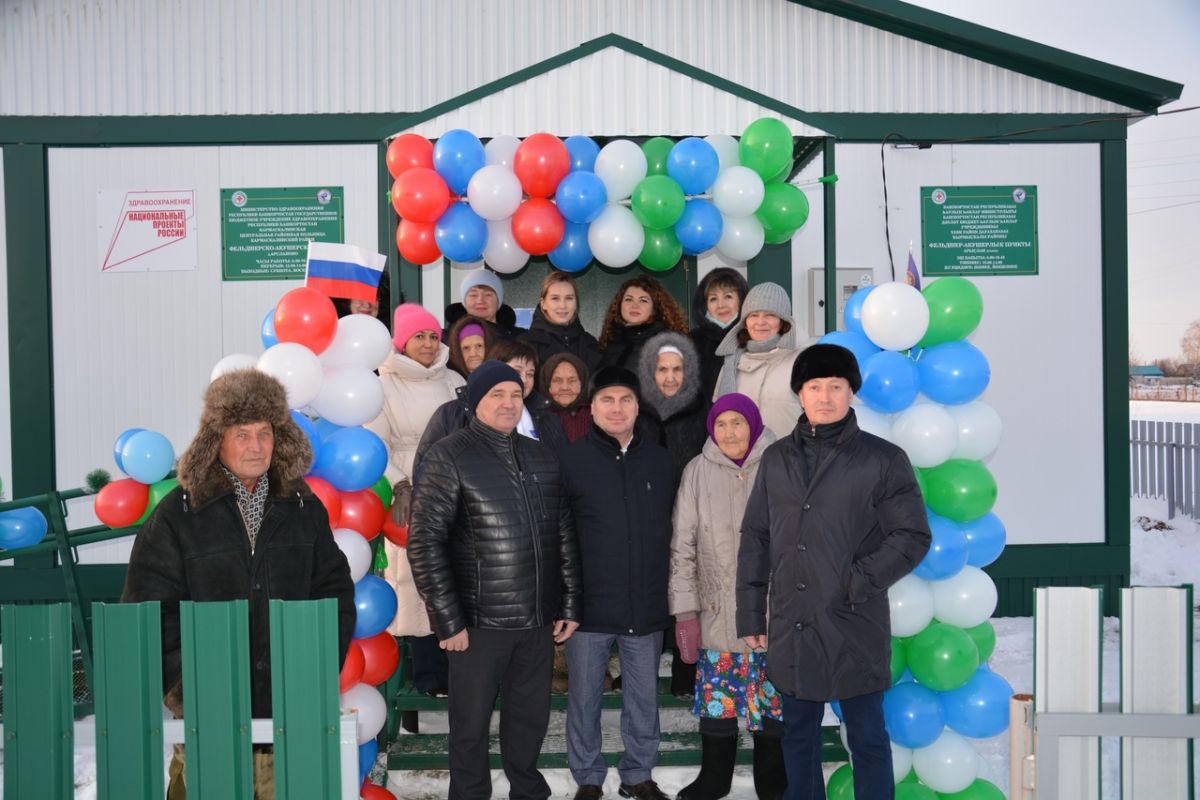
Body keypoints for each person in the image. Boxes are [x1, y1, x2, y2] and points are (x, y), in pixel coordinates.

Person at [122, 369, 356, 800]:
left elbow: (335, 593)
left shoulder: (303, 508)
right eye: (242, 434)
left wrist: (316, 669)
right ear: (217, 440)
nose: (256, 446)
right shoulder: (179, 513)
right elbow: (148, 607)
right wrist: (184, 686)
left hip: (289, 711)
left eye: (265, 433)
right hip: (207, 716)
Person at [735, 344, 932, 800]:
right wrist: (751, 614)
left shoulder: (882, 459)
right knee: (798, 737)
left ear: (851, 393)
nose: (824, 397)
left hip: (853, 621)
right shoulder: (776, 459)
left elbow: (911, 535)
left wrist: (856, 580)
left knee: (867, 737)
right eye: (814, 387)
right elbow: (756, 537)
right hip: (793, 621)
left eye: (836, 387)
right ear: (800, 394)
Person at [407, 360, 582, 800]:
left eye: (515, 394)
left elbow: (563, 533)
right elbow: (424, 542)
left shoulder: (542, 456)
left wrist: (569, 603)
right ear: (475, 401)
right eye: (496, 395)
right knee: (469, 727)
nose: (508, 403)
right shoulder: (448, 455)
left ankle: (528, 791)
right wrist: (448, 621)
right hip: (477, 624)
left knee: (529, 721)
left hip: (536, 621)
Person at [559, 366, 678, 800]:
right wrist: (565, 602)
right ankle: (588, 777)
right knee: (584, 698)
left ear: (637, 407)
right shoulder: (570, 461)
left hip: (645, 605)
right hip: (588, 609)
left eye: (625, 399)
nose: (616, 408)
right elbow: (559, 536)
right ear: (592, 408)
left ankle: (638, 774)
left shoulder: (661, 462)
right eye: (607, 400)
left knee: (643, 699)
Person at [669, 393, 784, 800]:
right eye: (721, 424)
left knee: (772, 700)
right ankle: (714, 778)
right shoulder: (696, 471)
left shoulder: (780, 464)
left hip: (773, 611)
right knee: (718, 700)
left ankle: (773, 778)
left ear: (754, 425)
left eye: (738, 423)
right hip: (716, 608)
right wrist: (685, 610)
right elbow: (682, 545)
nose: (730, 432)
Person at [365, 303, 465, 698]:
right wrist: (399, 484)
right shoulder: (383, 385)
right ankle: (425, 674)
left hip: (455, 485)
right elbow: (375, 444)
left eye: (433, 336)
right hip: (408, 484)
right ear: (402, 342)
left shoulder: (454, 379)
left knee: (455, 573)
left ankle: (461, 669)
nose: (427, 344)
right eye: (418, 336)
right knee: (414, 577)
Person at [415, 339, 568, 470]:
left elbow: (563, 471)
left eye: (530, 374)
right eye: (517, 372)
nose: (524, 380)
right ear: (493, 370)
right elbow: (429, 470)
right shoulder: (452, 414)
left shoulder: (548, 419)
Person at [713, 282, 810, 441]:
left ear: (783, 321)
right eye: (754, 315)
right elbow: (719, 418)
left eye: (770, 315)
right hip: (743, 455)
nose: (760, 322)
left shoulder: (804, 361)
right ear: (745, 322)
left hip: (789, 455)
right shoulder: (731, 363)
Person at [635, 331, 709, 478]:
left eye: (677, 369)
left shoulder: (703, 409)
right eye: (662, 369)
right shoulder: (637, 411)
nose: (670, 378)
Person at [596, 275, 688, 374]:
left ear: (655, 308)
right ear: (619, 305)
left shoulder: (667, 345)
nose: (634, 305)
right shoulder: (611, 343)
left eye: (643, 300)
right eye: (629, 299)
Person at [520, 270, 603, 373]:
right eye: (555, 298)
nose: (563, 305)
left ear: (576, 303)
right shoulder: (525, 344)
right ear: (543, 304)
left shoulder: (590, 344)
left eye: (569, 298)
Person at [690, 268, 749, 403]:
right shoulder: (691, 341)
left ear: (742, 300)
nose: (721, 305)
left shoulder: (754, 337)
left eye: (728, 296)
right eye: (713, 299)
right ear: (705, 305)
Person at [444, 267, 525, 341]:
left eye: (488, 295)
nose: (480, 300)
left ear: (498, 301)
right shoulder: (446, 339)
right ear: (464, 301)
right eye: (473, 295)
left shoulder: (518, 339)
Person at [541, 353, 592, 443]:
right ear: (547, 384)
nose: (565, 387)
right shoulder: (537, 416)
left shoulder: (596, 414)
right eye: (557, 380)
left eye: (572, 381)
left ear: (582, 384)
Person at [332, 269, 396, 331]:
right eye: (361, 297)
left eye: (373, 297)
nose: (367, 305)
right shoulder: (336, 331)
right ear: (348, 300)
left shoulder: (393, 331)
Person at [447, 313, 495, 379]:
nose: (473, 354)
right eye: (466, 348)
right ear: (457, 352)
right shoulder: (452, 381)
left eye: (479, 346)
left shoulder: (501, 379)